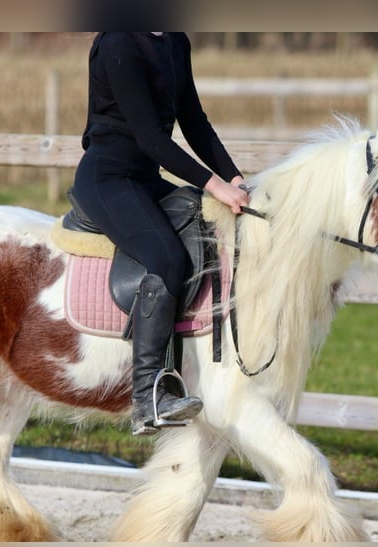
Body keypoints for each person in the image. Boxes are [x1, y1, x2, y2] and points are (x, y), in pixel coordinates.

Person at [70, 32, 249, 435]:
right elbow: (151, 138)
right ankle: (148, 396)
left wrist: (235, 177)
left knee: (209, 232)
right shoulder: (119, 43)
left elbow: (194, 121)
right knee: (167, 257)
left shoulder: (175, 41)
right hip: (108, 179)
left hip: (146, 179)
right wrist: (214, 186)